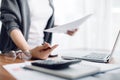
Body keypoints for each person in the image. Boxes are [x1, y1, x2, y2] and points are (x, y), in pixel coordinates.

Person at [0, 0, 77, 60]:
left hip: (40, 51)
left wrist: (64, 29)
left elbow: (39, 22)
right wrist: (29, 52)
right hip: (17, 53)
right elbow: (11, 24)